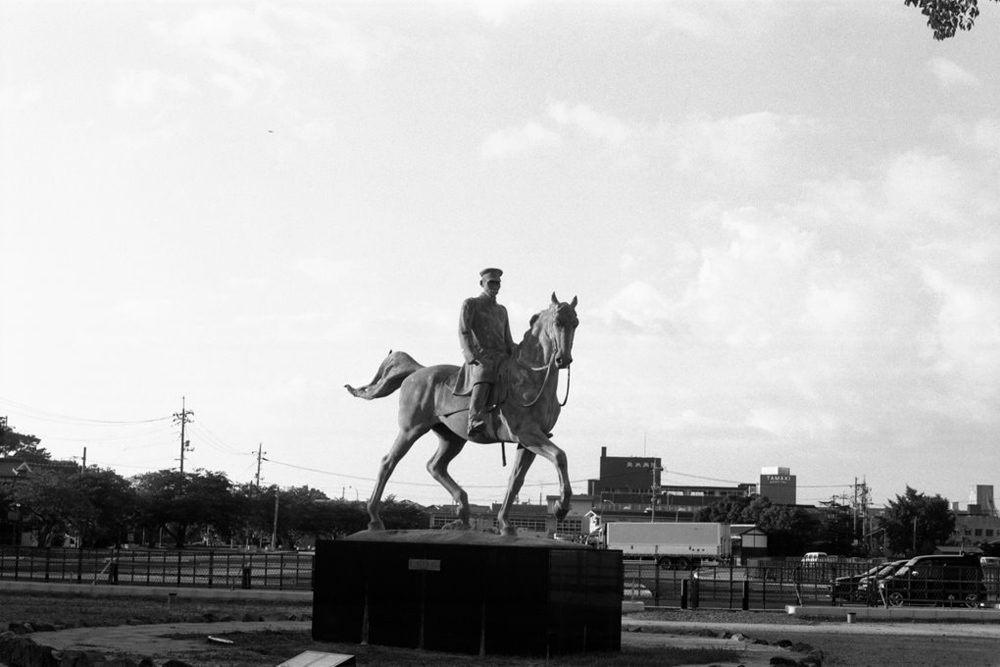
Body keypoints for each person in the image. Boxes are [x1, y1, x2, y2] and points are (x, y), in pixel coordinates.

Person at [459, 267, 515, 438]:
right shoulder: (471, 304)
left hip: (502, 358)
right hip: (482, 359)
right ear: (482, 283)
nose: (495, 286)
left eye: (497, 283)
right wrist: (471, 355)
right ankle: (474, 419)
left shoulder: (502, 310)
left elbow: (508, 340)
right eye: (491, 282)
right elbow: (464, 331)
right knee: (485, 372)